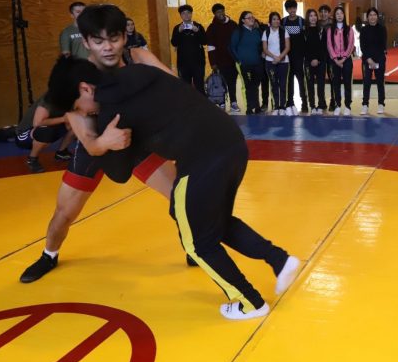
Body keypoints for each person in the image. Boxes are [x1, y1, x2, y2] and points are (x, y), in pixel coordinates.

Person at [47, 58, 300, 320]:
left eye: (78, 108)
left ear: (85, 88)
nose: (85, 113)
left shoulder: (112, 114)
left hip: (202, 161)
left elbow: (119, 174)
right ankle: (279, 260)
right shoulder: (136, 72)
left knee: (198, 244)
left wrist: (102, 142)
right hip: (232, 143)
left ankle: (250, 303)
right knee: (213, 222)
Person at [19, 5, 179, 283]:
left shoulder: (139, 58)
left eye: (113, 38)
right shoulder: (75, 81)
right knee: (64, 213)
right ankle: (48, 255)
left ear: (124, 37)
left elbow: (177, 90)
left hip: (137, 142)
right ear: (86, 42)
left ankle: (196, 245)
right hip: (95, 146)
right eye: (98, 40)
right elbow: (90, 144)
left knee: (182, 198)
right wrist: (104, 141)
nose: (107, 47)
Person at [15, 93, 74, 173]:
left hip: (46, 128)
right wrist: (63, 119)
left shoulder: (71, 98)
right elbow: (37, 123)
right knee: (46, 131)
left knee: (77, 123)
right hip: (25, 134)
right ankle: (32, 159)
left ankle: (61, 152)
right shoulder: (48, 100)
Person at [207, 3, 241, 112]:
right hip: (219, 61)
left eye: (222, 11)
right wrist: (213, 63)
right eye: (218, 12)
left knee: (232, 82)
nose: (220, 14)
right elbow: (210, 47)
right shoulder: (212, 28)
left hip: (232, 60)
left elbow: (238, 42)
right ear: (214, 14)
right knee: (220, 83)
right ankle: (221, 103)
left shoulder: (233, 24)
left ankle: (233, 103)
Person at [230, 11, 265, 115]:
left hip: (257, 63)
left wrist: (262, 55)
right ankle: (249, 107)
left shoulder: (257, 31)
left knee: (256, 85)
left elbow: (261, 45)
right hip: (244, 64)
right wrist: (239, 60)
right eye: (248, 18)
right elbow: (231, 47)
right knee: (247, 85)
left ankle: (257, 106)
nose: (252, 19)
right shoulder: (238, 32)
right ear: (243, 20)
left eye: (252, 17)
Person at [170, 4, 207, 94]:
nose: (186, 15)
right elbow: (174, 43)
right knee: (185, 88)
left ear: (191, 14)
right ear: (180, 15)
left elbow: (204, 41)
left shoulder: (198, 26)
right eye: (183, 13)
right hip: (183, 64)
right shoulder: (177, 28)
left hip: (198, 63)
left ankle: (201, 103)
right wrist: (179, 32)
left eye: (188, 13)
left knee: (200, 87)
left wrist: (197, 31)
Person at [326, 6, 355, 116]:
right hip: (334, 60)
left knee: (347, 83)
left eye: (341, 13)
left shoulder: (349, 29)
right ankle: (338, 105)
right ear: (335, 16)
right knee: (336, 84)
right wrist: (335, 59)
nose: (339, 15)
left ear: (344, 15)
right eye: (337, 13)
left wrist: (344, 58)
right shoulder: (330, 30)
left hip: (346, 59)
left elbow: (351, 44)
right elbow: (329, 45)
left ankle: (347, 106)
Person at [359, 7, 387, 115]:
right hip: (367, 60)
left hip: (379, 59)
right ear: (367, 17)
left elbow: (383, 45)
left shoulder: (382, 29)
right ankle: (365, 104)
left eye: (374, 15)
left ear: (377, 16)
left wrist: (377, 61)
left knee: (380, 82)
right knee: (367, 83)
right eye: (370, 15)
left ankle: (381, 103)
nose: (372, 17)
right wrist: (369, 59)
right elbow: (362, 46)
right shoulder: (363, 30)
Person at [263, 12, 291, 115]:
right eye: (274, 19)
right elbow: (265, 49)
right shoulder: (266, 32)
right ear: (270, 21)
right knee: (274, 84)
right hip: (270, 62)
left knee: (283, 84)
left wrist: (279, 58)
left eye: (278, 19)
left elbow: (287, 47)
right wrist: (274, 57)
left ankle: (282, 106)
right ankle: (276, 106)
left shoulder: (284, 31)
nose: (276, 21)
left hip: (283, 62)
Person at [282, 0, 308, 115]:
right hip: (287, 58)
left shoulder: (302, 21)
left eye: (294, 8)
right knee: (289, 81)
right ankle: (290, 103)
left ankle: (304, 103)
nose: (292, 10)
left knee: (301, 81)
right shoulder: (283, 22)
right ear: (287, 10)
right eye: (289, 8)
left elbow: (306, 39)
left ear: (296, 8)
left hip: (299, 57)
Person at [303, 9, 327, 114]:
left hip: (320, 62)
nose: (313, 18)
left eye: (315, 15)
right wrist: (311, 59)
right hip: (308, 63)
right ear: (308, 18)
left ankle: (321, 105)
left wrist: (318, 59)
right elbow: (303, 48)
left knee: (321, 85)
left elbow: (323, 47)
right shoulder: (304, 31)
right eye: (311, 16)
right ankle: (312, 106)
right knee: (310, 85)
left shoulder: (321, 30)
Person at [318, 4, 335, 112]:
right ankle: (322, 102)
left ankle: (333, 101)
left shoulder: (333, 24)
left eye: (325, 12)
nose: (323, 14)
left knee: (332, 79)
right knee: (320, 80)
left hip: (331, 56)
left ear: (329, 13)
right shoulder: (317, 24)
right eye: (321, 12)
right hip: (320, 56)